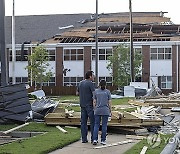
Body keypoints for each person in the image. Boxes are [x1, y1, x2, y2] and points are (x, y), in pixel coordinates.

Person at [76, 70, 95, 143]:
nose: (94, 77)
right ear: (90, 76)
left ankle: (84, 139)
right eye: (93, 75)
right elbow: (94, 94)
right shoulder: (90, 83)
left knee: (83, 123)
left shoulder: (80, 83)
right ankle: (93, 139)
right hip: (89, 106)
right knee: (93, 122)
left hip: (82, 105)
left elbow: (77, 93)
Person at [92, 79, 112, 145]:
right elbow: (109, 102)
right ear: (105, 85)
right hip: (105, 110)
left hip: (98, 110)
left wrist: (95, 108)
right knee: (104, 125)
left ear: (99, 84)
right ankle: (103, 140)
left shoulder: (96, 92)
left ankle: (95, 139)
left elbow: (94, 102)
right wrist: (110, 110)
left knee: (96, 125)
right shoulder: (107, 92)